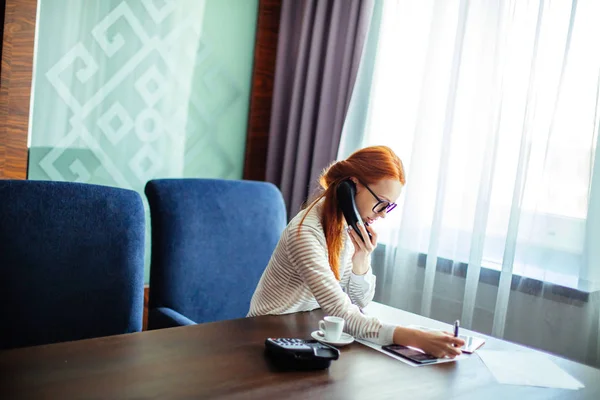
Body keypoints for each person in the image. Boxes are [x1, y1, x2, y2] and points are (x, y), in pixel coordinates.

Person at [248, 146, 464, 358]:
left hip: (305, 333)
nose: (382, 214)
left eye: (388, 207)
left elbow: (359, 303)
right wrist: (416, 338)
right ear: (351, 186)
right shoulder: (305, 234)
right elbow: (340, 310)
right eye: (381, 204)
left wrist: (361, 258)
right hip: (268, 336)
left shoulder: (347, 226)